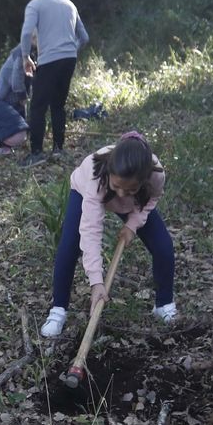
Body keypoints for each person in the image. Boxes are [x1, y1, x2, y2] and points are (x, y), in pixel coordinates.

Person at [40, 132, 179, 338]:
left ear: (143, 180)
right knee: (69, 248)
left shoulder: (155, 175)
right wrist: (96, 282)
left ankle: (164, 304)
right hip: (85, 191)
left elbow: (152, 198)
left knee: (163, 247)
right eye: (118, 186)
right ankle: (58, 309)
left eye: (130, 188)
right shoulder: (96, 175)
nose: (122, 194)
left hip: (134, 204)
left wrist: (133, 224)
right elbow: (91, 231)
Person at [19, 0, 89, 167]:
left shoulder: (35, 4)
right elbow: (84, 37)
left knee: (38, 107)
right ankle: (59, 149)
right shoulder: (69, 4)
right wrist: (71, 50)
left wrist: (26, 57)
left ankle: (37, 153)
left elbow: (26, 34)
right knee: (58, 104)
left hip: (49, 59)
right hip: (69, 58)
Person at [0, 43, 35, 114]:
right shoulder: (22, 53)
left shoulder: (26, 51)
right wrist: (22, 96)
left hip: (10, 92)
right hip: (9, 94)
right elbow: (17, 77)